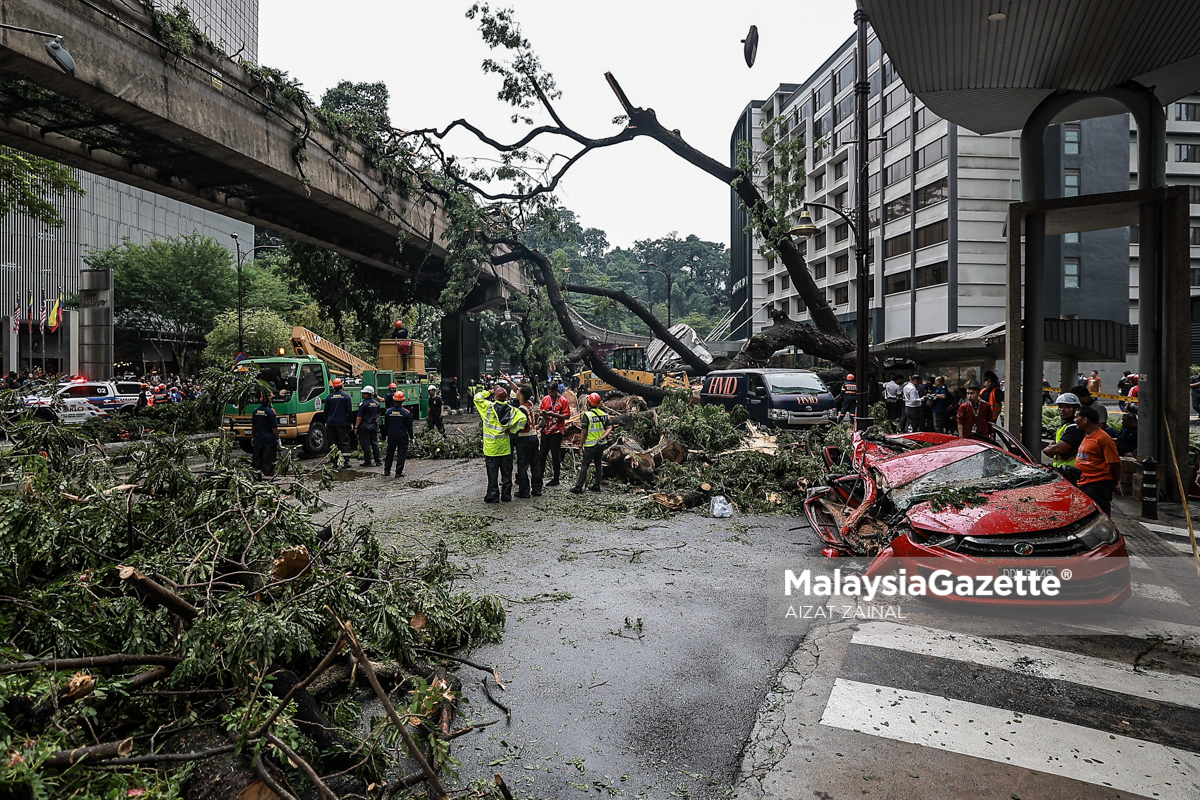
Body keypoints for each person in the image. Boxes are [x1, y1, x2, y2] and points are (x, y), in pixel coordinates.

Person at [475, 384, 526, 503]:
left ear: (495, 397)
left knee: (492, 475)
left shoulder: (487, 407)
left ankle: (493, 496)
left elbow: (477, 397)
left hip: (491, 448)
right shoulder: (512, 410)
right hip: (505, 448)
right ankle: (506, 496)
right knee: (506, 474)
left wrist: (489, 391)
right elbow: (523, 419)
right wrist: (512, 430)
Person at [1074, 405, 1121, 515]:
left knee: (1100, 515)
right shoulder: (1087, 435)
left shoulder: (1103, 439)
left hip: (1097, 485)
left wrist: (1117, 484)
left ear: (1085, 420)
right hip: (1084, 483)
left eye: (1076, 417)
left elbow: (1116, 464)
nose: (1074, 420)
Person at [572, 392, 611, 494]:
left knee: (585, 465)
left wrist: (580, 445)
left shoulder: (587, 415)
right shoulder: (603, 414)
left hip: (590, 445)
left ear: (588, 403)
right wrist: (604, 436)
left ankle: (579, 486)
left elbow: (584, 432)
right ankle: (597, 485)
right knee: (598, 464)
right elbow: (609, 427)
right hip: (601, 444)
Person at [537, 380, 571, 487]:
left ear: (557, 390)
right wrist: (543, 413)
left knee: (555, 454)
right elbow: (540, 410)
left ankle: (556, 478)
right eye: (549, 392)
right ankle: (539, 476)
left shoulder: (563, 401)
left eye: (552, 392)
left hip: (557, 431)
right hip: (545, 430)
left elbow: (567, 416)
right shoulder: (545, 399)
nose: (550, 394)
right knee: (542, 454)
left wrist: (555, 415)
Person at [1041, 392, 1085, 468]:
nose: (1062, 410)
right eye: (1060, 407)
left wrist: (1047, 450)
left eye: (1067, 407)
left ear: (1076, 409)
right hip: (1062, 469)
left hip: (1073, 470)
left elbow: (1057, 449)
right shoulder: (1065, 426)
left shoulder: (1075, 428)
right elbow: (1053, 448)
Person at [514, 385, 540, 498]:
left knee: (522, 465)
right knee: (535, 465)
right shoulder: (530, 404)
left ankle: (524, 491)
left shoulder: (521, 409)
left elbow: (521, 425)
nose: (517, 393)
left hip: (524, 438)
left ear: (521, 395)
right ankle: (537, 489)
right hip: (534, 437)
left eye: (518, 392)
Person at [382, 391, 414, 478]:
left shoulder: (388, 412)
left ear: (394, 400)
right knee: (401, 454)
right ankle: (398, 472)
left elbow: (386, 425)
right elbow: (409, 427)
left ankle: (387, 470)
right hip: (402, 437)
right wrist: (412, 437)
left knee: (390, 453)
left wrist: (386, 435)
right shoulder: (406, 413)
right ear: (403, 401)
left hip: (392, 436)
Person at [250, 391, 280, 479]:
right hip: (269, 442)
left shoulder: (256, 411)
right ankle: (268, 479)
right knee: (269, 462)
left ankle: (256, 479)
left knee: (257, 461)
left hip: (258, 441)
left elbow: (253, 426)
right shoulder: (270, 412)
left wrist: (253, 437)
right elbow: (274, 428)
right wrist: (278, 439)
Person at [325, 378, 354, 466]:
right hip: (342, 423)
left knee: (333, 442)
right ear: (342, 386)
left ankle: (334, 462)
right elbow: (349, 411)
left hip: (331, 423)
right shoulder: (346, 397)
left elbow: (326, 411)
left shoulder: (329, 397)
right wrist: (351, 422)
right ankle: (345, 462)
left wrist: (326, 422)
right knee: (344, 441)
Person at [355, 385, 382, 467]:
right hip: (373, 425)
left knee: (366, 444)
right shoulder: (377, 403)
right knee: (375, 443)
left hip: (365, 426)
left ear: (367, 394)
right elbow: (378, 415)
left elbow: (359, 417)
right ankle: (378, 461)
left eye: (363, 393)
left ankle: (368, 462)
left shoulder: (363, 404)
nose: (362, 394)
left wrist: (356, 427)